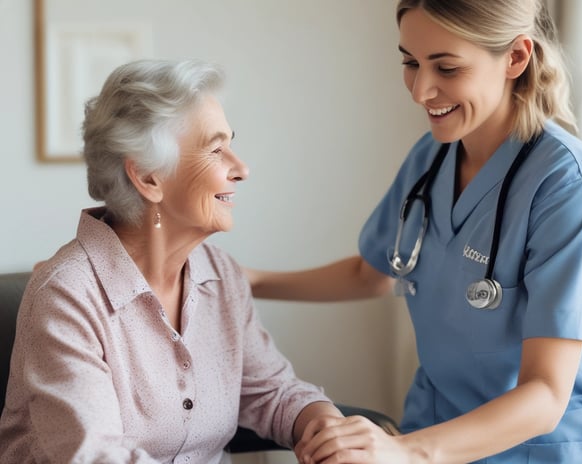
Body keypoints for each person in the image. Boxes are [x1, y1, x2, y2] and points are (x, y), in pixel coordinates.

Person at [247, 1, 582, 463]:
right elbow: (372, 272)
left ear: (516, 59)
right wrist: (248, 281)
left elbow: (546, 394)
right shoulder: (432, 158)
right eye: (410, 62)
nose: (421, 91)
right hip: (433, 427)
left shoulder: (568, 185)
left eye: (447, 67)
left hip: (530, 448)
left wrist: (405, 452)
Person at [0, 59, 343, 463]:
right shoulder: (66, 297)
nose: (242, 169)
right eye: (217, 150)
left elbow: (271, 391)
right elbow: (96, 456)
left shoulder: (221, 277)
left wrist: (326, 428)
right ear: (148, 177)